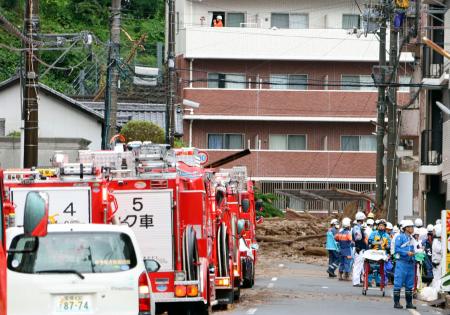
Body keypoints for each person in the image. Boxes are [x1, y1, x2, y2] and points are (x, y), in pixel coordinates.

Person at [393, 220, 416, 309]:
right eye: (411, 227)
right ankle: (396, 303)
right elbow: (397, 249)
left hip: (410, 263)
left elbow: (415, 249)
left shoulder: (412, 238)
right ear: (406, 228)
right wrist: (407, 253)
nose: (412, 228)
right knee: (398, 283)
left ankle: (409, 303)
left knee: (410, 284)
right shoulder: (400, 237)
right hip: (402, 263)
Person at [368, 219, 391, 286]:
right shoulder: (374, 233)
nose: (381, 227)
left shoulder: (387, 235)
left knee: (381, 268)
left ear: (385, 227)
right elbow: (370, 241)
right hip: (374, 252)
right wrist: (377, 243)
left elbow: (389, 244)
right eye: (380, 225)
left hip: (382, 253)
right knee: (372, 267)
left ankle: (379, 281)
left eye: (382, 226)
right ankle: (369, 280)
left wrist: (387, 247)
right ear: (378, 226)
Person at [352, 212, 367, 287]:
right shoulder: (357, 228)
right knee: (357, 265)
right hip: (359, 249)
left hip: (360, 249)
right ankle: (356, 282)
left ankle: (359, 280)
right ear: (361, 219)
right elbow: (358, 238)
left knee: (360, 265)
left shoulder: (358, 227)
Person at [431, 224, 442, 290]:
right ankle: (437, 290)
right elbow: (440, 250)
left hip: (437, 262)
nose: (433, 232)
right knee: (437, 278)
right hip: (437, 263)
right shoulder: (436, 241)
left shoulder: (437, 240)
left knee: (437, 278)